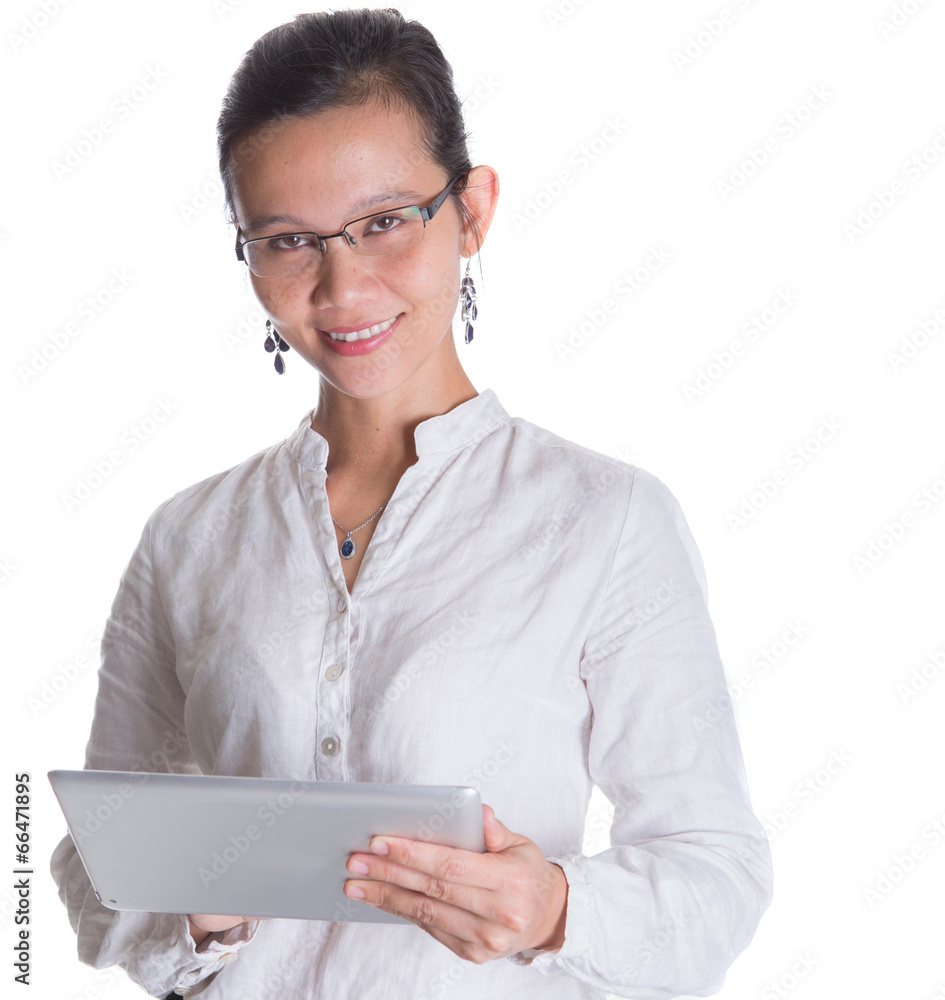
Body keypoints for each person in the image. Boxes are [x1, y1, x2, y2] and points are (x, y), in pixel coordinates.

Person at [51, 8, 773, 998]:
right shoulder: (188, 537)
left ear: (471, 210)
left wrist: (555, 909)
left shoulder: (606, 520)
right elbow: (93, 862)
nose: (343, 288)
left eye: (385, 221)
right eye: (288, 240)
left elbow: (719, 874)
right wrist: (195, 905)